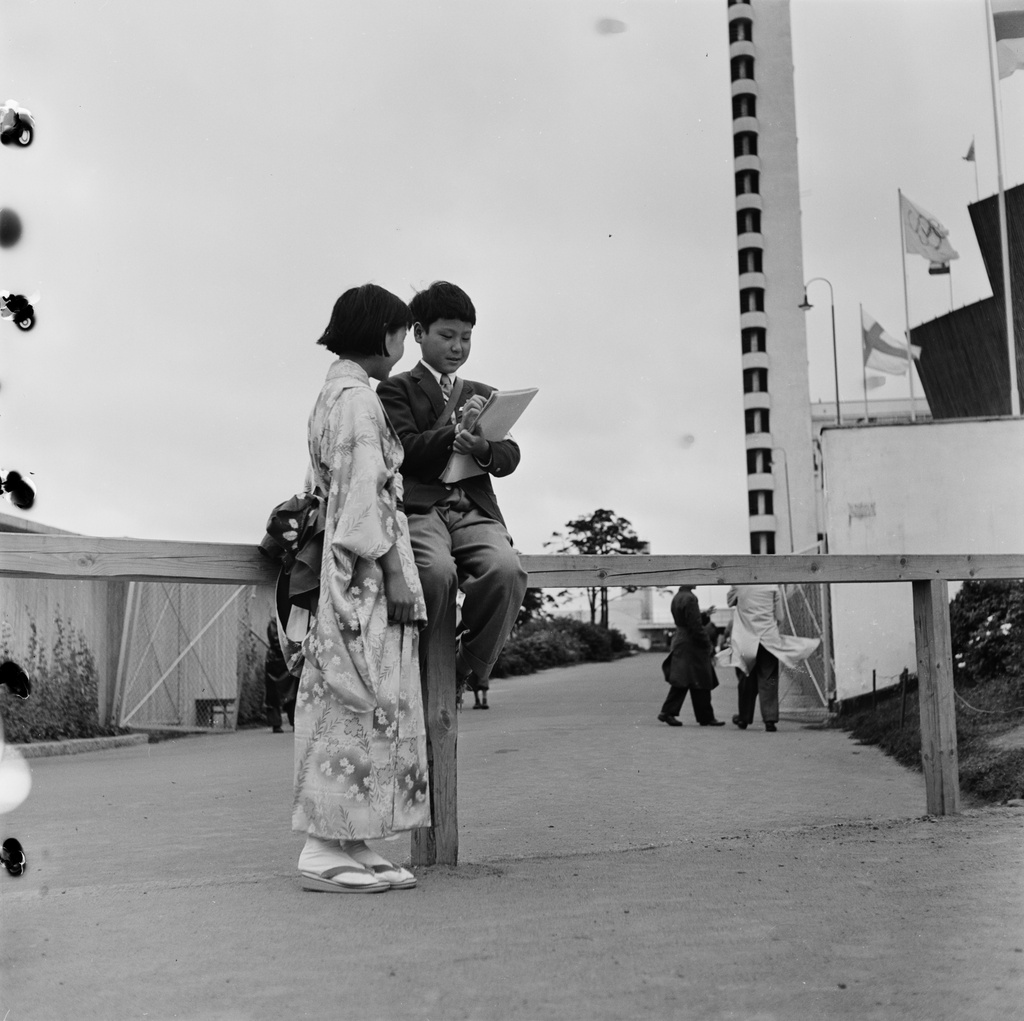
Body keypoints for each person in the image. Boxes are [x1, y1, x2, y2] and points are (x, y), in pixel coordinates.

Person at [292, 283, 430, 894]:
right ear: (383, 333)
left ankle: (352, 837)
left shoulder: (335, 394)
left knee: (363, 701)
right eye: (400, 332)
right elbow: (362, 500)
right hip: (365, 574)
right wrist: (395, 572)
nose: (403, 345)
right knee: (354, 700)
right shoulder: (358, 401)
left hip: (348, 567)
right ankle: (321, 846)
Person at [376, 281, 528, 710]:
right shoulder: (394, 389)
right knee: (434, 574)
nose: (458, 347)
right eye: (447, 335)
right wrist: (455, 432)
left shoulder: (485, 392)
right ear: (418, 332)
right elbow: (403, 450)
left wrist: (482, 447)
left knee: (507, 570)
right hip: (422, 508)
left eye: (466, 337)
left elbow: (510, 456)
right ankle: (424, 674)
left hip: (473, 508)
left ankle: (465, 666)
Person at [726, 584, 820, 733]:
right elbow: (780, 616)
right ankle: (769, 719)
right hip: (768, 639)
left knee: (746, 678)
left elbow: (730, 601)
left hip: (746, 639)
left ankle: (744, 717)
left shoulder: (740, 585)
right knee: (769, 678)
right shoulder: (772, 587)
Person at [658, 585, 725, 726]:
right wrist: (707, 643)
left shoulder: (678, 597)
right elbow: (695, 625)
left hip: (682, 641)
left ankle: (669, 712)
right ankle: (704, 716)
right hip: (692, 644)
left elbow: (687, 620)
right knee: (700, 679)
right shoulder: (690, 598)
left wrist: (704, 615)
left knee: (684, 679)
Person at [263, 618, 296, 733]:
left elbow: (275, 640)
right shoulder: (284, 621)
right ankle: (290, 722)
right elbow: (277, 641)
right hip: (283, 658)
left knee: (282, 693)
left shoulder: (276, 622)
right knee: (287, 693)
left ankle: (278, 723)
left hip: (281, 659)